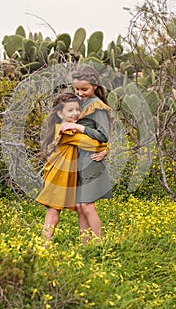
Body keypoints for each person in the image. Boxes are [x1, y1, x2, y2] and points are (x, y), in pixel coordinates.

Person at [36, 92, 107, 244]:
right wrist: (105, 147)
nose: (75, 113)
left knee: (69, 212)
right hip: (57, 178)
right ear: (60, 113)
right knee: (53, 214)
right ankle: (45, 248)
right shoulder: (66, 130)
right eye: (70, 110)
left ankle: (86, 245)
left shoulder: (65, 127)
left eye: (77, 109)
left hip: (62, 176)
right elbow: (91, 144)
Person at [60, 64, 112, 243]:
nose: (80, 93)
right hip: (79, 161)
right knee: (80, 207)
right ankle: (85, 246)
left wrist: (78, 127)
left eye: (85, 89)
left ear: (95, 86)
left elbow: (103, 135)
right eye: (77, 89)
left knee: (87, 206)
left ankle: (98, 245)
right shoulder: (81, 103)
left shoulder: (97, 106)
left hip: (91, 162)